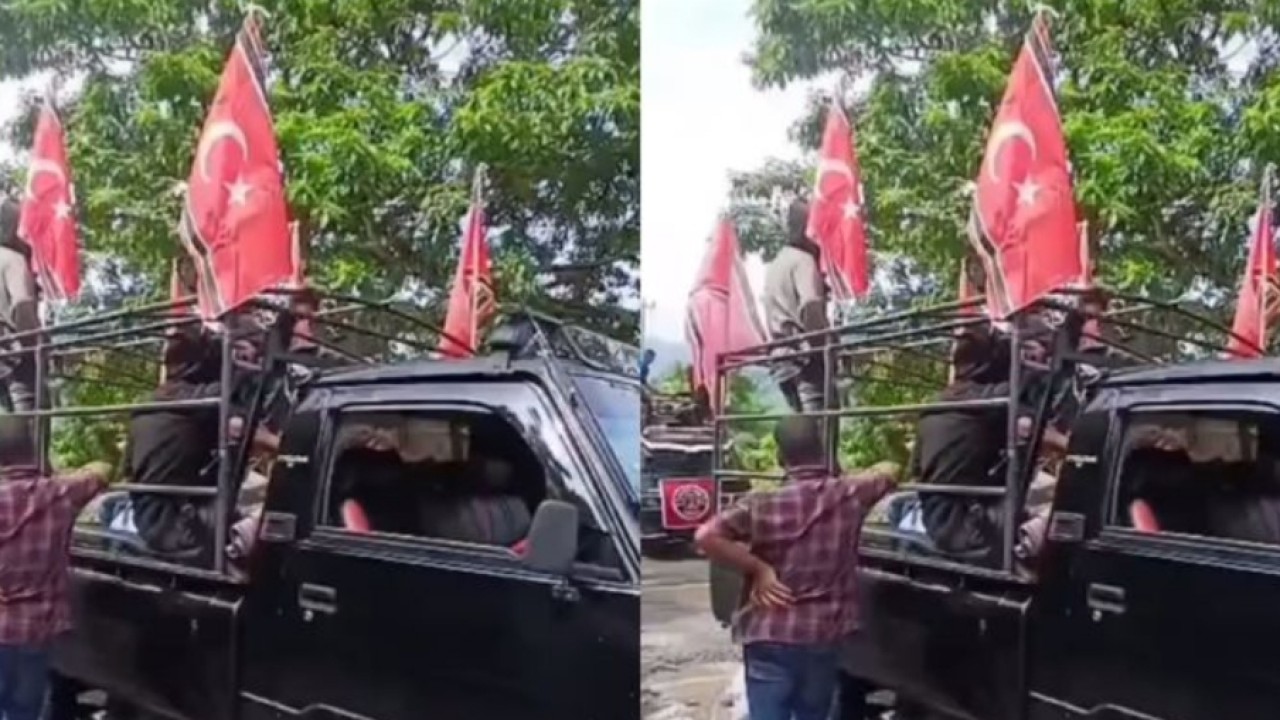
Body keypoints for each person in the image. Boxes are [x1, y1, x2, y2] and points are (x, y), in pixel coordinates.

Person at [694, 415, 897, 720]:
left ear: (780, 457)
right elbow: (890, 470)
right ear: (823, 452)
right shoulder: (850, 493)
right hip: (822, 634)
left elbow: (706, 536)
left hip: (769, 633)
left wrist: (758, 568)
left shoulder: (761, 502)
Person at [124, 326, 279, 556]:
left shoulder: (147, 405)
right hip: (180, 527)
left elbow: (128, 469)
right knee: (275, 524)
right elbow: (241, 406)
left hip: (147, 520)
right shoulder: (199, 399)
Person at [0, 415, 110, 720]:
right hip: (38, 631)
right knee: (25, 712)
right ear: (33, 450)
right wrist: (80, 470)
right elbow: (102, 470)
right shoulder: (60, 492)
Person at [763, 200, 830, 413]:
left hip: (781, 360)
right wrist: (826, 349)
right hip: (805, 360)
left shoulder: (777, 263)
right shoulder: (803, 261)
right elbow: (811, 306)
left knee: (801, 432)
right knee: (819, 433)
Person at [0, 198, 42, 415]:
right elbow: (23, 305)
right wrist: (38, 345)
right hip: (13, 360)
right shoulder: (12, 260)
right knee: (28, 421)